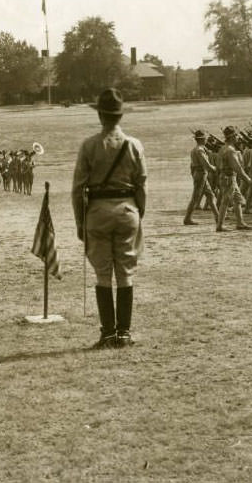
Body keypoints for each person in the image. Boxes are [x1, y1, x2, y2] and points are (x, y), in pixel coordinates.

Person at [72, 88, 147, 349]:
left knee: (103, 273)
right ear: (119, 116)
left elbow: (78, 188)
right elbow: (141, 186)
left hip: (98, 213)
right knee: (125, 272)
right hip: (128, 211)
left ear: (100, 116)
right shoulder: (135, 145)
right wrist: (139, 214)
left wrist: (80, 222)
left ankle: (107, 333)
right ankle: (124, 334)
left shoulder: (90, 145)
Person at [215, 127, 252, 232]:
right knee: (225, 201)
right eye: (236, 136)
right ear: (232, 137)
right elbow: (237, 167)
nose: (237, 138)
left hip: (226, 176)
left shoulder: (222, 148)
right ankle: (220, 225)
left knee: (237, 200)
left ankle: (240, 223)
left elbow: (218, 164)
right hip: (229, 178)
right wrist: (247, 178)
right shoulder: (231, 151)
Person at [184, 130, 218, 225]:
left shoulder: (195, 150)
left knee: (210, 196)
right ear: (203, 139)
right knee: (195, 198)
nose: (207, 140)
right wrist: (216, 169)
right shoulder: (200, 150)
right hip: (201, 174)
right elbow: (206, 165)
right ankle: (187, 218)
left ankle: (217, 217)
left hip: (200, 174)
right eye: (205, 138)